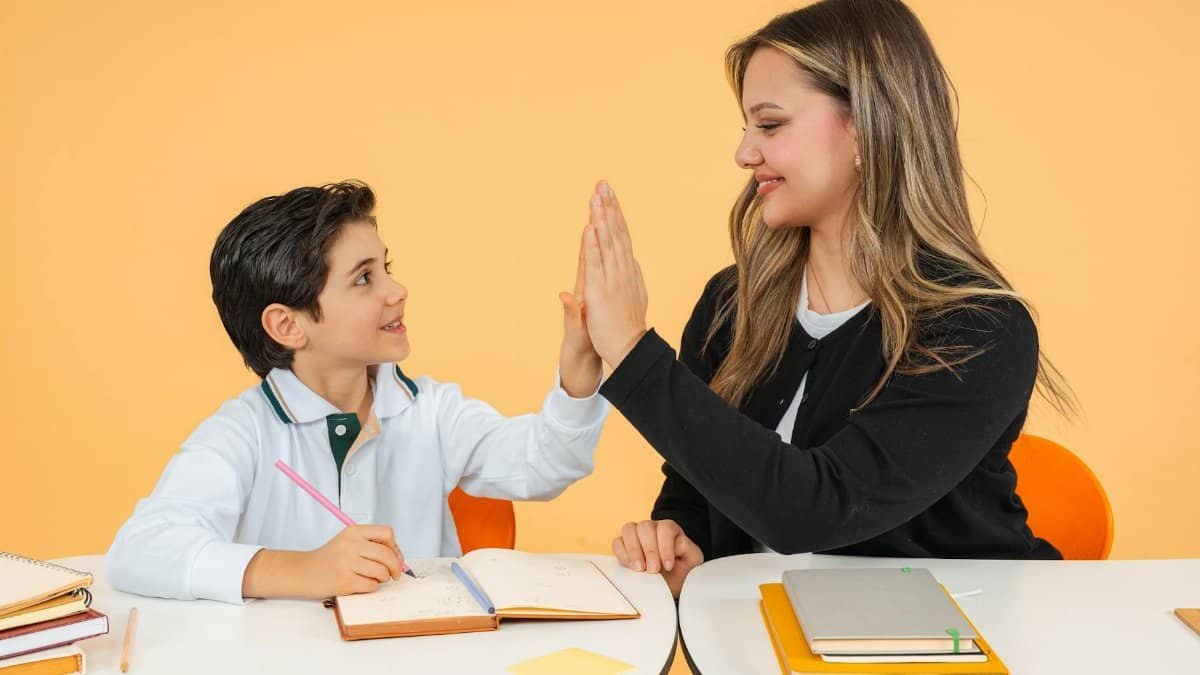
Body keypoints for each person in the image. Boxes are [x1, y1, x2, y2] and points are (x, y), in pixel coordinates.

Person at [576, 0, 1075, 597]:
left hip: (961, 640)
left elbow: (815, 506)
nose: (743, 153)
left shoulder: (978, 328)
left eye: (769, 124)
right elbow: (694, 489)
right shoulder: (729, 305)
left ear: (867, 128)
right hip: (766, 640)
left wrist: (632, 355)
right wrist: (682, 545)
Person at [107, 181, 607, 603]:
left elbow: (546, 462)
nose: (397, 290)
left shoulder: (431, 411)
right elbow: (141, 549)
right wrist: (300, 571)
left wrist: (582, 363)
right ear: (288, 325)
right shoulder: (244, 433)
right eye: (365, 278)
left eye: (387, 267)